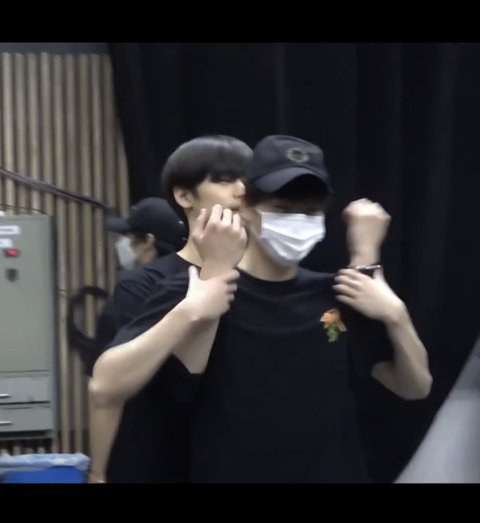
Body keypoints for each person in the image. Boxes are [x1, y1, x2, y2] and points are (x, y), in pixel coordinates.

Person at [91, 135, 432, 483]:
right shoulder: (198, 289)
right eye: (281, 209)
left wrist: (397, 315)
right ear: (246, 209)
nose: (297, 222)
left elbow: (414, 387)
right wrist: (195, 308)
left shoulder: (337, 295)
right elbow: (105, 385)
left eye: (310, 212)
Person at [88, 135, 252, 483]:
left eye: (247, 180)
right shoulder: (144, 284)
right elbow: (107, 391)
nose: (241, 191)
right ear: (184, 196)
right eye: (224, 180)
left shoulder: (265, 279)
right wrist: (99, 473)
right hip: (159, 461)